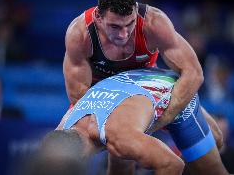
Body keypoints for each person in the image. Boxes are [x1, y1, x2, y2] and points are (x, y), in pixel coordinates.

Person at [63, 0, 225, 174]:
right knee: (118, 152)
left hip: (148, 85)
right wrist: (117, 127)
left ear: (135, 11)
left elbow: (194, 73)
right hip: (105, 95)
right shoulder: (80, 34)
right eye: (115, 26)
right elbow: (79, 97)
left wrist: (161, 118)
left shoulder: (153, 23)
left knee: (216, 138)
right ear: (99, 17)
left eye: (129, 24)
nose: (124, 34)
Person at [35, 68, 187, 175]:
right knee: (119, 162)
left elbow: (173, 164)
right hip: (127, 79)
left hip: (173, 87)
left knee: (204, 165)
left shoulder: (119, 135)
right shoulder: (62, 130)